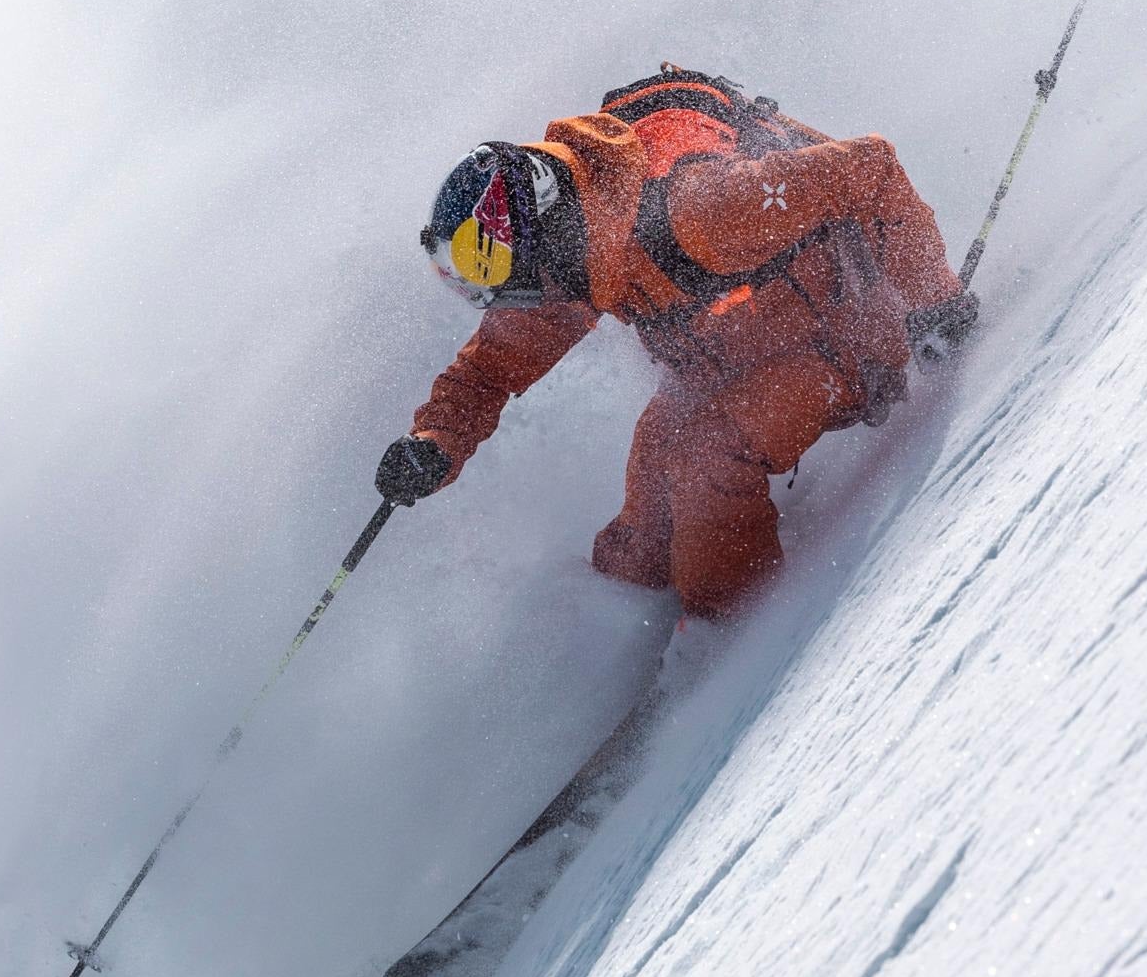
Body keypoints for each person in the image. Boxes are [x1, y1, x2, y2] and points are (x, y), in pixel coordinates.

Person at [375, 66, 976, 623]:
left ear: (544, 229)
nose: (504, 294)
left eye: (488, 262)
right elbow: (490, 370)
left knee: (705, 456)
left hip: (853, 330)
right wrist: (434, 442)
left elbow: (868, 169)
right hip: (734, 358)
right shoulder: (581, 256)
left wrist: (935, 302)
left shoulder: (700, 212)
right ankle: (624, 628)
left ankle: (732, 645)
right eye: (472, 273)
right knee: (649, 504)